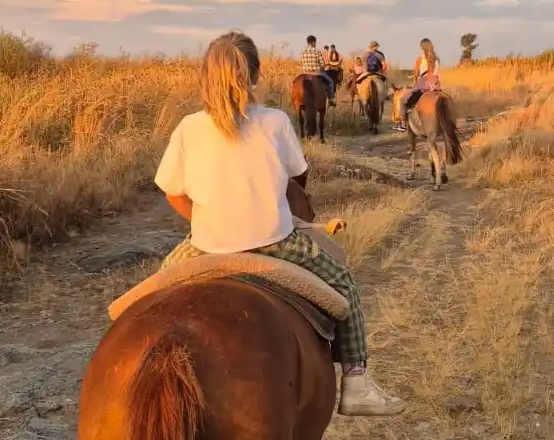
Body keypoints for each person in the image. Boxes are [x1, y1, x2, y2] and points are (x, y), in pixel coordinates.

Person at [155, 30, 404, 416]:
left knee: (156, 294)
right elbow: (297, 178)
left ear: (205, 76)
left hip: (205, 245)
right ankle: (356, 384)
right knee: (344, 284)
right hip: (275, 241)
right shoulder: (273, 122)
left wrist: (204, 219)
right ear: (255, 75)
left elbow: (172, 192)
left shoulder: (189, 127)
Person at [395, 38, 442, 132]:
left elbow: (416, 74)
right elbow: (436, 73)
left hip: (423, 82)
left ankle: (403, 124)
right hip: (435, 84)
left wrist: (415, 83)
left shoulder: (420, 59)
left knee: (402, 99)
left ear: (422, 47)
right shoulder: (436, 58)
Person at [299, 35, 336, 107]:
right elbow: (322, 64)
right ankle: (331, 99)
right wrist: (321, 68)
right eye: (315, 42)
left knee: (295, 81)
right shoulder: (317, 51)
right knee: (330, 82)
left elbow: (301, 62)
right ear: (313, 42)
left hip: (305, 73)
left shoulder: (302, 52)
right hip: (316, 73)